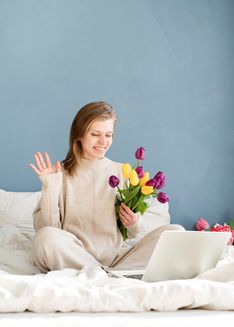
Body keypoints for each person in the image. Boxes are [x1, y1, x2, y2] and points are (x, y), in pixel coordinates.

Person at [30, 101, 184, 273]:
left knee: (175, 232)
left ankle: (103, 273)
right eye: (95, 134)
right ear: (79, 135)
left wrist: (134, 222)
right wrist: (50, 186)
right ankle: (104, 273)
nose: (103, 142)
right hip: (75, 256)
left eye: (108, 135)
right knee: (45, 238)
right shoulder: (60, 174)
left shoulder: (123, 172)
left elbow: (133, 234)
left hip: (118, 260)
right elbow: (48, 228)